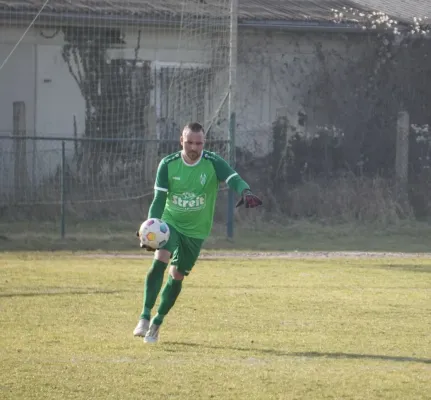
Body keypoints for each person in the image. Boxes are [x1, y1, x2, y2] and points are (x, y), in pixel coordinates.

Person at [133, 122, 262, 343]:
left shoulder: (212, 162)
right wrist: (151, 225)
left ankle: (157, 322)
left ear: (204, 143)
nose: (194, 147)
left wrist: (246, 191)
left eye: (199, 143)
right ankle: (144, 317)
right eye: (190, 142)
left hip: (196, 232)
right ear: (181, 141)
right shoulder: (168, 164)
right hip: (170, 224)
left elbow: (233, 178)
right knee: (161, 258)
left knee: (177, 275)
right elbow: (159, 199)